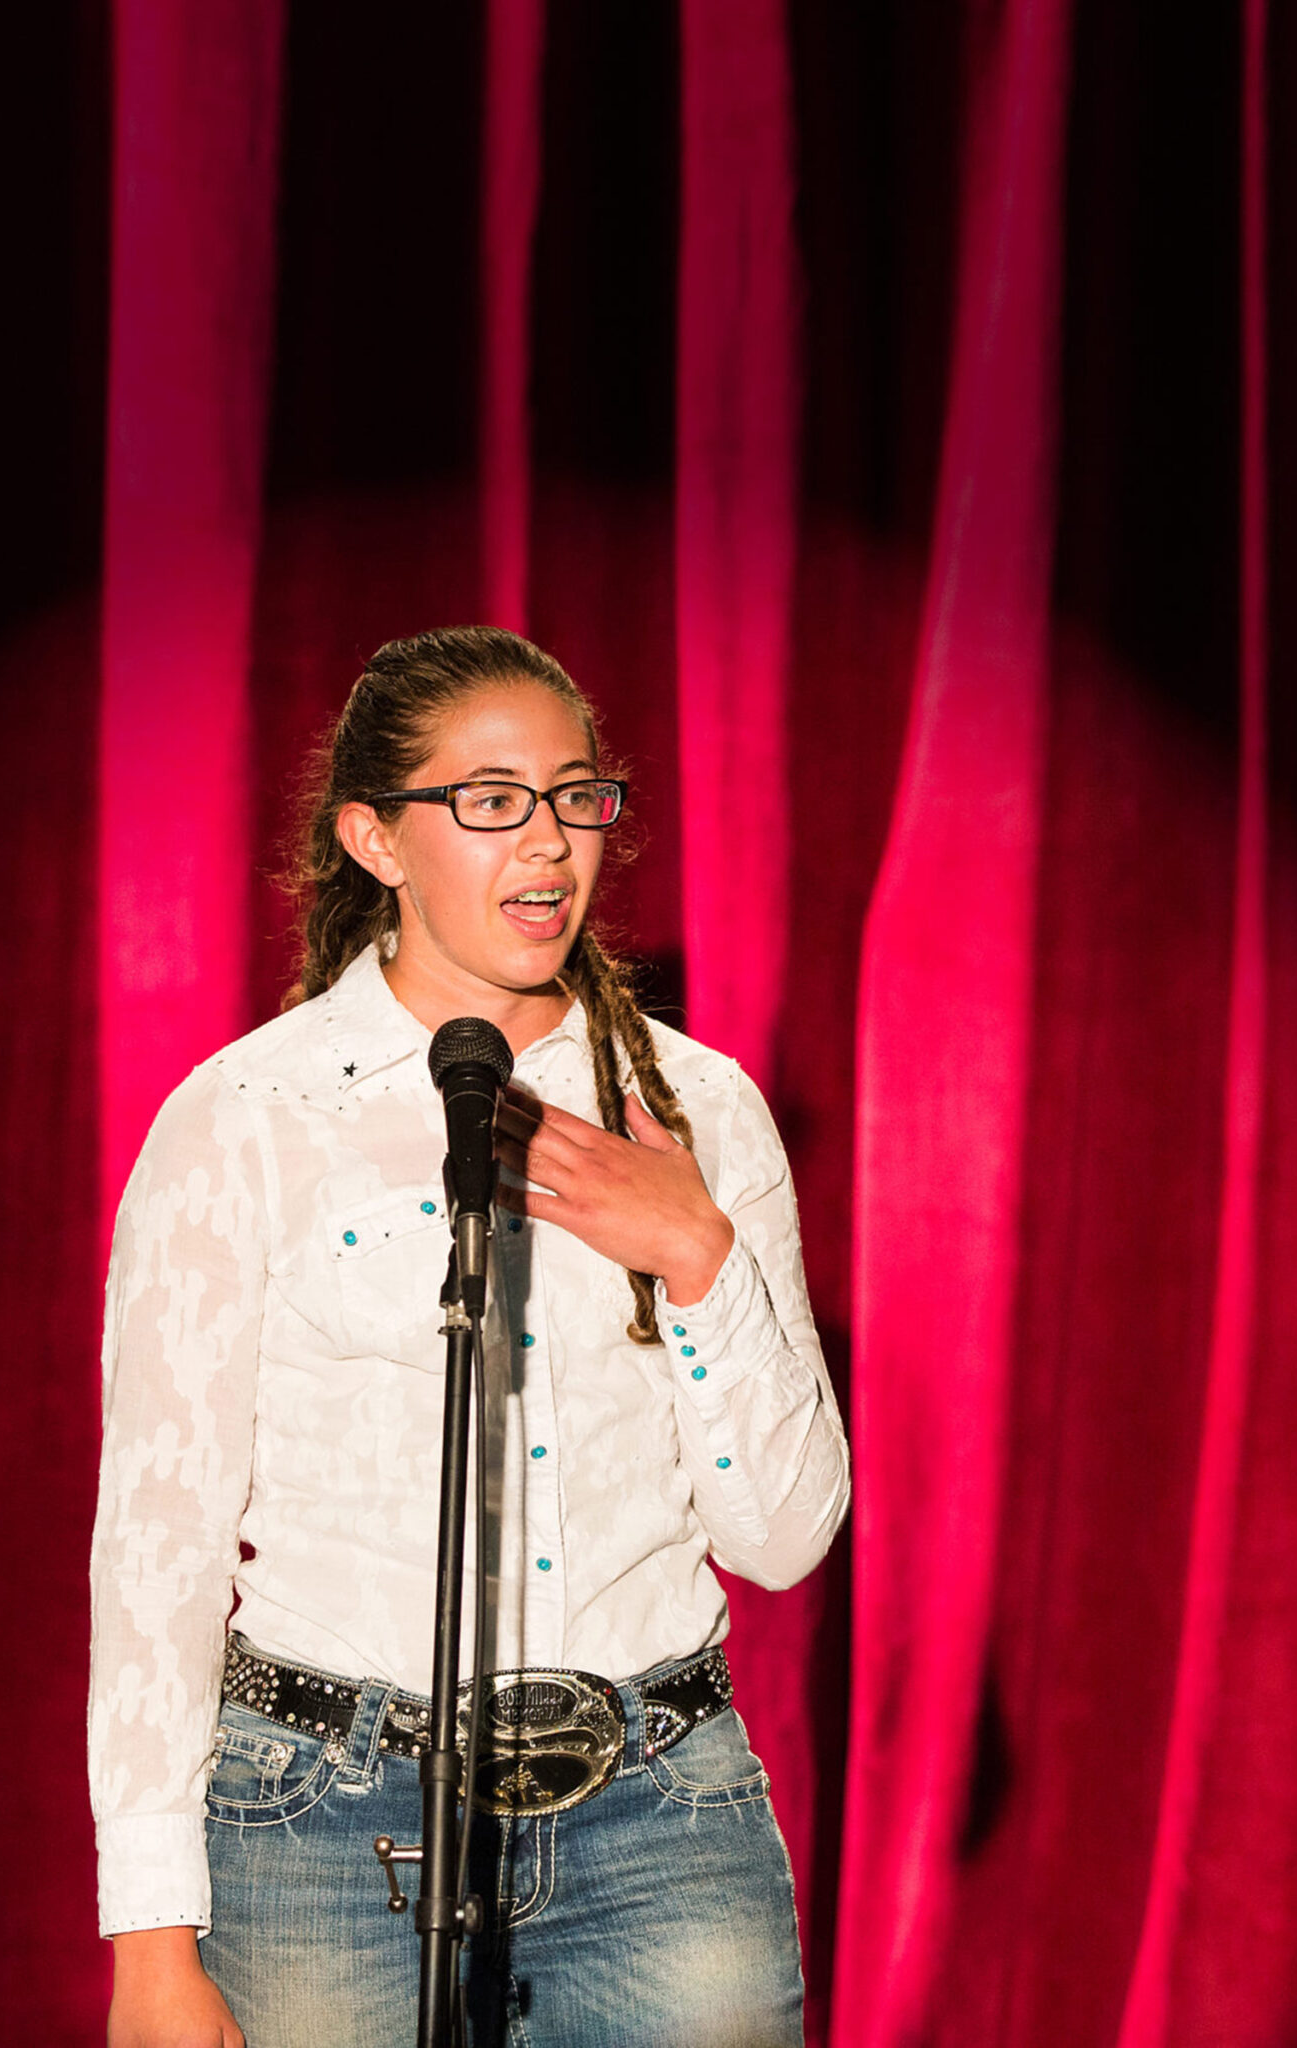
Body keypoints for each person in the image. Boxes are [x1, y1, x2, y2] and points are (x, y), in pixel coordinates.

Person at [89, 626, 849, 2048]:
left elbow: (786, 1537)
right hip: (325, 1821)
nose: (550, 842)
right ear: (375, 838)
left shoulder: (700, 1109)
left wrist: (695, 1254)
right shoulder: (248, 1121)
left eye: (576, 795)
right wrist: (149, 1941)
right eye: (490, 801)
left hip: (662, 1818)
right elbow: (157, 1544)